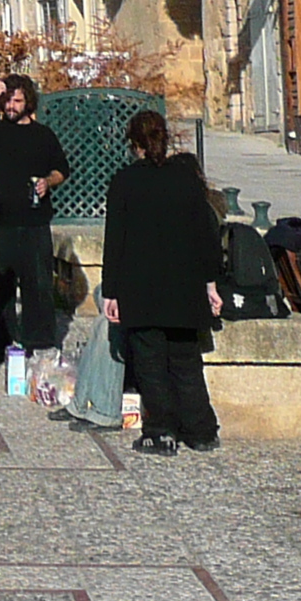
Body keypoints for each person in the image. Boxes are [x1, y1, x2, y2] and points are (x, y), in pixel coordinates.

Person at [100, 105, 224, 454]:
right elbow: (206, 235)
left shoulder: (125, 181)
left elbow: (116, 241)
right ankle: (200, 430)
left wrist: (112, 292)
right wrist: (210, 284)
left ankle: (161, 431)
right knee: (186, 361)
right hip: (184, 289)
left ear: (133, 144)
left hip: (141, 287)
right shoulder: (185, 179)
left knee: (150, 363)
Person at [0, 73, 71, 370]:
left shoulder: (42, 135)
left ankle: (40, 343)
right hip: (1, 221)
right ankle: (1, 342)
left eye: (17, 100)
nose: (11, 106)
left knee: (38, 287)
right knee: (2, 287)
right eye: (7, 100)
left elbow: (62, 169)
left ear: (29, 102)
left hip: (35, 223)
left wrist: (48, 182)